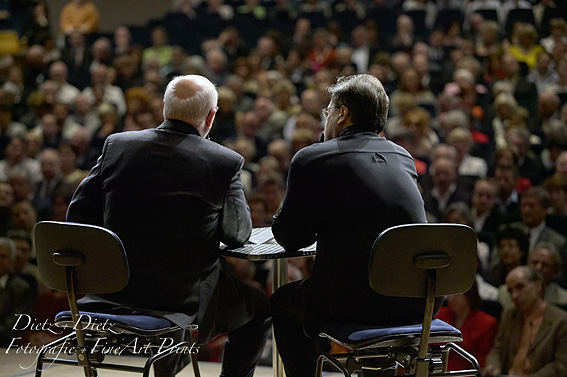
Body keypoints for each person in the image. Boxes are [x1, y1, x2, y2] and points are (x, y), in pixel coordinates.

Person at [66, 75, 270, 377]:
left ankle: (165, 364)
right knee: (258, 308)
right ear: (211, 116)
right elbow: (237, 234)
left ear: (164, 107)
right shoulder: (224, 161)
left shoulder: (118, 145)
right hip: (180, 298)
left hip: (111, 292)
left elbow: (78, 216)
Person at [270, 74, 429, 377]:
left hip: (349, 304)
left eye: (328, 111)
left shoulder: (313, 158)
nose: (325, 119)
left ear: (342, 114)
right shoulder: (403, 157)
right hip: (415, 303)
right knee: (373, 292)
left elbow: (290, 239)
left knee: (282, 303)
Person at [483, 266, 567, 376]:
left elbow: (560, 365)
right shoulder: (509, 316)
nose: (514, 295)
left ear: (537, 286)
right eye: (510, 291)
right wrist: (492, 366)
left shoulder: (561, 321)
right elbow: (497, 349)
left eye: (520, 287)